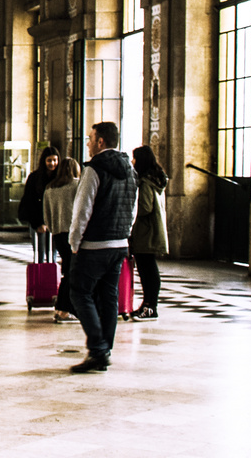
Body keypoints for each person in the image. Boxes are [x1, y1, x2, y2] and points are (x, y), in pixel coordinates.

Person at [67, 122, 138, 373]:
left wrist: (75, 241)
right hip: (119, 243)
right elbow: (133, 208)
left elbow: (82, 209)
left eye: (90, 138)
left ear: (100, 142)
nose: (87, 143)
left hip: (95, 244)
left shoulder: (94, 169)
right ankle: (104, 349)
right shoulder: (130, 170)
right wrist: (124, 235)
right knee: (109, 297)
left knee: (79, 293)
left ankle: (97, 348)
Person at [128, 145, 168, 322]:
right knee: (149, 269)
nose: (132, 161)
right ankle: (150, 305)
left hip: (146, 232)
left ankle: (150, 306)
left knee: (147, 270)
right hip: (153, 230)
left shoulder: (145, 182)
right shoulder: (157, 179)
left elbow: (144, 207)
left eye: (134, 158)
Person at [41, 157, 82, 322]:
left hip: (57, 234)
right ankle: (65, 309)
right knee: (74, 272)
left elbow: (46, 215)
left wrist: (53, 228)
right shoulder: (77, 185)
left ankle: (60, 308)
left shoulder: (50, 188)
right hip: (73, 233)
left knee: (68, 270)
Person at [18, 147, 62, 236]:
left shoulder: (60, 177)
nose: (52, 163)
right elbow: (30, 200)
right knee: (40, 247)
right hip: (38, 219)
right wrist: (38, 223)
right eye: (49, 160)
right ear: (44, 161)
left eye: (55, 160)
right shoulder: (34, 178)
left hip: (56, 222)